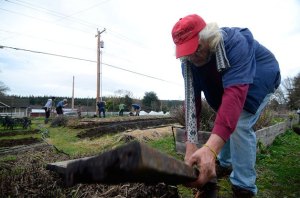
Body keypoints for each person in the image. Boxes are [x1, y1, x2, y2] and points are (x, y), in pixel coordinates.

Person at [171, 14, 281, 197]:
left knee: (239, 121)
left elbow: (235, 97)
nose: (193, 56)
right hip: (228, 85)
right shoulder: (188, 63)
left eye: (196, 49)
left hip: (261, 75)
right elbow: (192, 103)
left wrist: (211, 148)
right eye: (187, 52)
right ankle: (224, 162)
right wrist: (190, 147)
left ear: (208, 38)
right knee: (224, 116)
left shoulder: (235, 44)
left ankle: (244, 186)